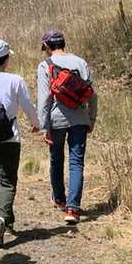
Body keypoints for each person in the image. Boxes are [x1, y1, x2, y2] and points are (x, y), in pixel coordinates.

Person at [0, 38, 40, 248]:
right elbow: (28, 105)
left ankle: (6, 218)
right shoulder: (15, 80)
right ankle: (0, 217)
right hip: (9, 137)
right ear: (5, 59)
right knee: (8, 181)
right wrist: (36, 123)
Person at [38, 28, 98, 226]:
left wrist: (44, 126)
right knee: (76, 162)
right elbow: (92, 94)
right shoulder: (81, 62)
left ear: (47, 46)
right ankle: (73, 209)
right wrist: (91, 118)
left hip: (56, 120)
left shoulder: (45, 65)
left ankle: (60, 199)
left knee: (56, 159)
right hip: (80, 118)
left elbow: (44, 99)